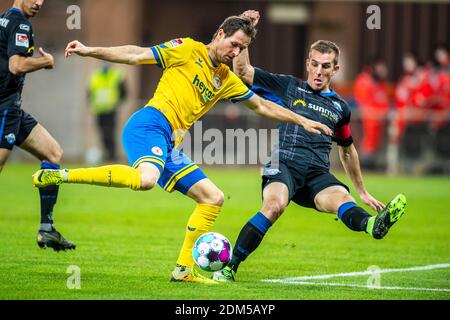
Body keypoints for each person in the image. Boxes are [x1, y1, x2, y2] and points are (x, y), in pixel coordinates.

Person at [32, 13, 331, 284]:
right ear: (219, 34)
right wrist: (89, 50)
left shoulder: (225, 79)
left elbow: (261, 104)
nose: (236, 52)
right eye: (234, 44)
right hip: (149, 124)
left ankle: (184, 269)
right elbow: (137, 55)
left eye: (241, 48)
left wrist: (300, 119)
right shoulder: (188, 49)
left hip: (168, 144)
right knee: (146, 180)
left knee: (212, 198)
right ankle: (60, 176)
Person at [213, 11, 407, 282]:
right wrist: (246, 32)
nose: (319, 71)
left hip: (316, 174)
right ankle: (229, 267)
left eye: (326, 66)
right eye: (314, 64)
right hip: (283, 164)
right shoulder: (289, 87)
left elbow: (347, 149)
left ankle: (373, 225)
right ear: (307, 64)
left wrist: (362, 190)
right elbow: (243, 72)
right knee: (274, 206)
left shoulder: (340, 107)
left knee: (343, 199)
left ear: (335, 70)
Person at [0, 0, 75, 251]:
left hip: (14, 110)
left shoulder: (4, 19)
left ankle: (47, 229)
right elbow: (17, 65)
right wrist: (46, 62)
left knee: (53, 152)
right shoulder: (20, 23)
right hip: (4, 109)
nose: (39, 2)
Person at [354, 58, 390, 170]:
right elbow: (364, 102)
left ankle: (370, 161)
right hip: (367, 118)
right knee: (367, 140)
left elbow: (383, 100)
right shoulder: (364, 80)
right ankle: (365, 162)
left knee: (375, 142)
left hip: (378, 118)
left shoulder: (380, 83)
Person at [88, 63, 127, 161]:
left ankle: (112, 156)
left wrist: (117, 103)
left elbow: (124, 92)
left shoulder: (116, 75)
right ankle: (108, 155)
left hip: (111, 109)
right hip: (99, 109)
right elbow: (90, 92)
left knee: (110, 133)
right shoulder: (95, 76)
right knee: (103, 133)